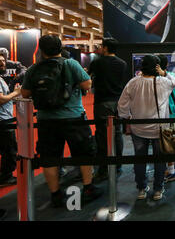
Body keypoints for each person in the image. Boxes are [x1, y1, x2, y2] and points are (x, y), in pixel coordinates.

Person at [21, 35, 102, 207]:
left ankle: (55, 194)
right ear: (59, 48)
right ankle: (88, 188)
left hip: (46, 120)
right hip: (74, 117)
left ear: (41, 51)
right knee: (83, 154)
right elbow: (87, 84)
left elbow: (25, 94)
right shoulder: (69, 64)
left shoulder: (33, 69)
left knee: (50, 158)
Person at [118, 55, 175, 201]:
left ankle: (141, 188)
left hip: (138, 128)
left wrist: (127, 116)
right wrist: (164, 73)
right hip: (159, 129)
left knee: (140, 159)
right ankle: (158, 189)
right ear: (156, 67)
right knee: (159, 160)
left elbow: (122, 105)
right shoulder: (163, 82)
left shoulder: (133, 82)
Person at [88, 38, 127, 183]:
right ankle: (117, 164)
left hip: (102, 102)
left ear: (105, 48)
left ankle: (104, 168)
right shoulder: (122, 64)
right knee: (117, 133)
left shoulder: (97, 63)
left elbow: (88, 78)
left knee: (102, 135)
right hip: (118, 102)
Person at [157, 55, 175, 182]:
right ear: (166, 64)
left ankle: (171, 170)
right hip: (173, 111)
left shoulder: (157, 78)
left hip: (164, 113)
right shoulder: (172, 75)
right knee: (173, 138)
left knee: (166, 141)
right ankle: (174, 164)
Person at [0, 53, 21, 187]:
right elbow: (1, 99)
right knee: (10, 150)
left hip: (4, 119)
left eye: (3, 61)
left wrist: (12, 94)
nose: (3, 63)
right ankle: (6, 177)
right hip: (3, 121)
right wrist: (16, 93)